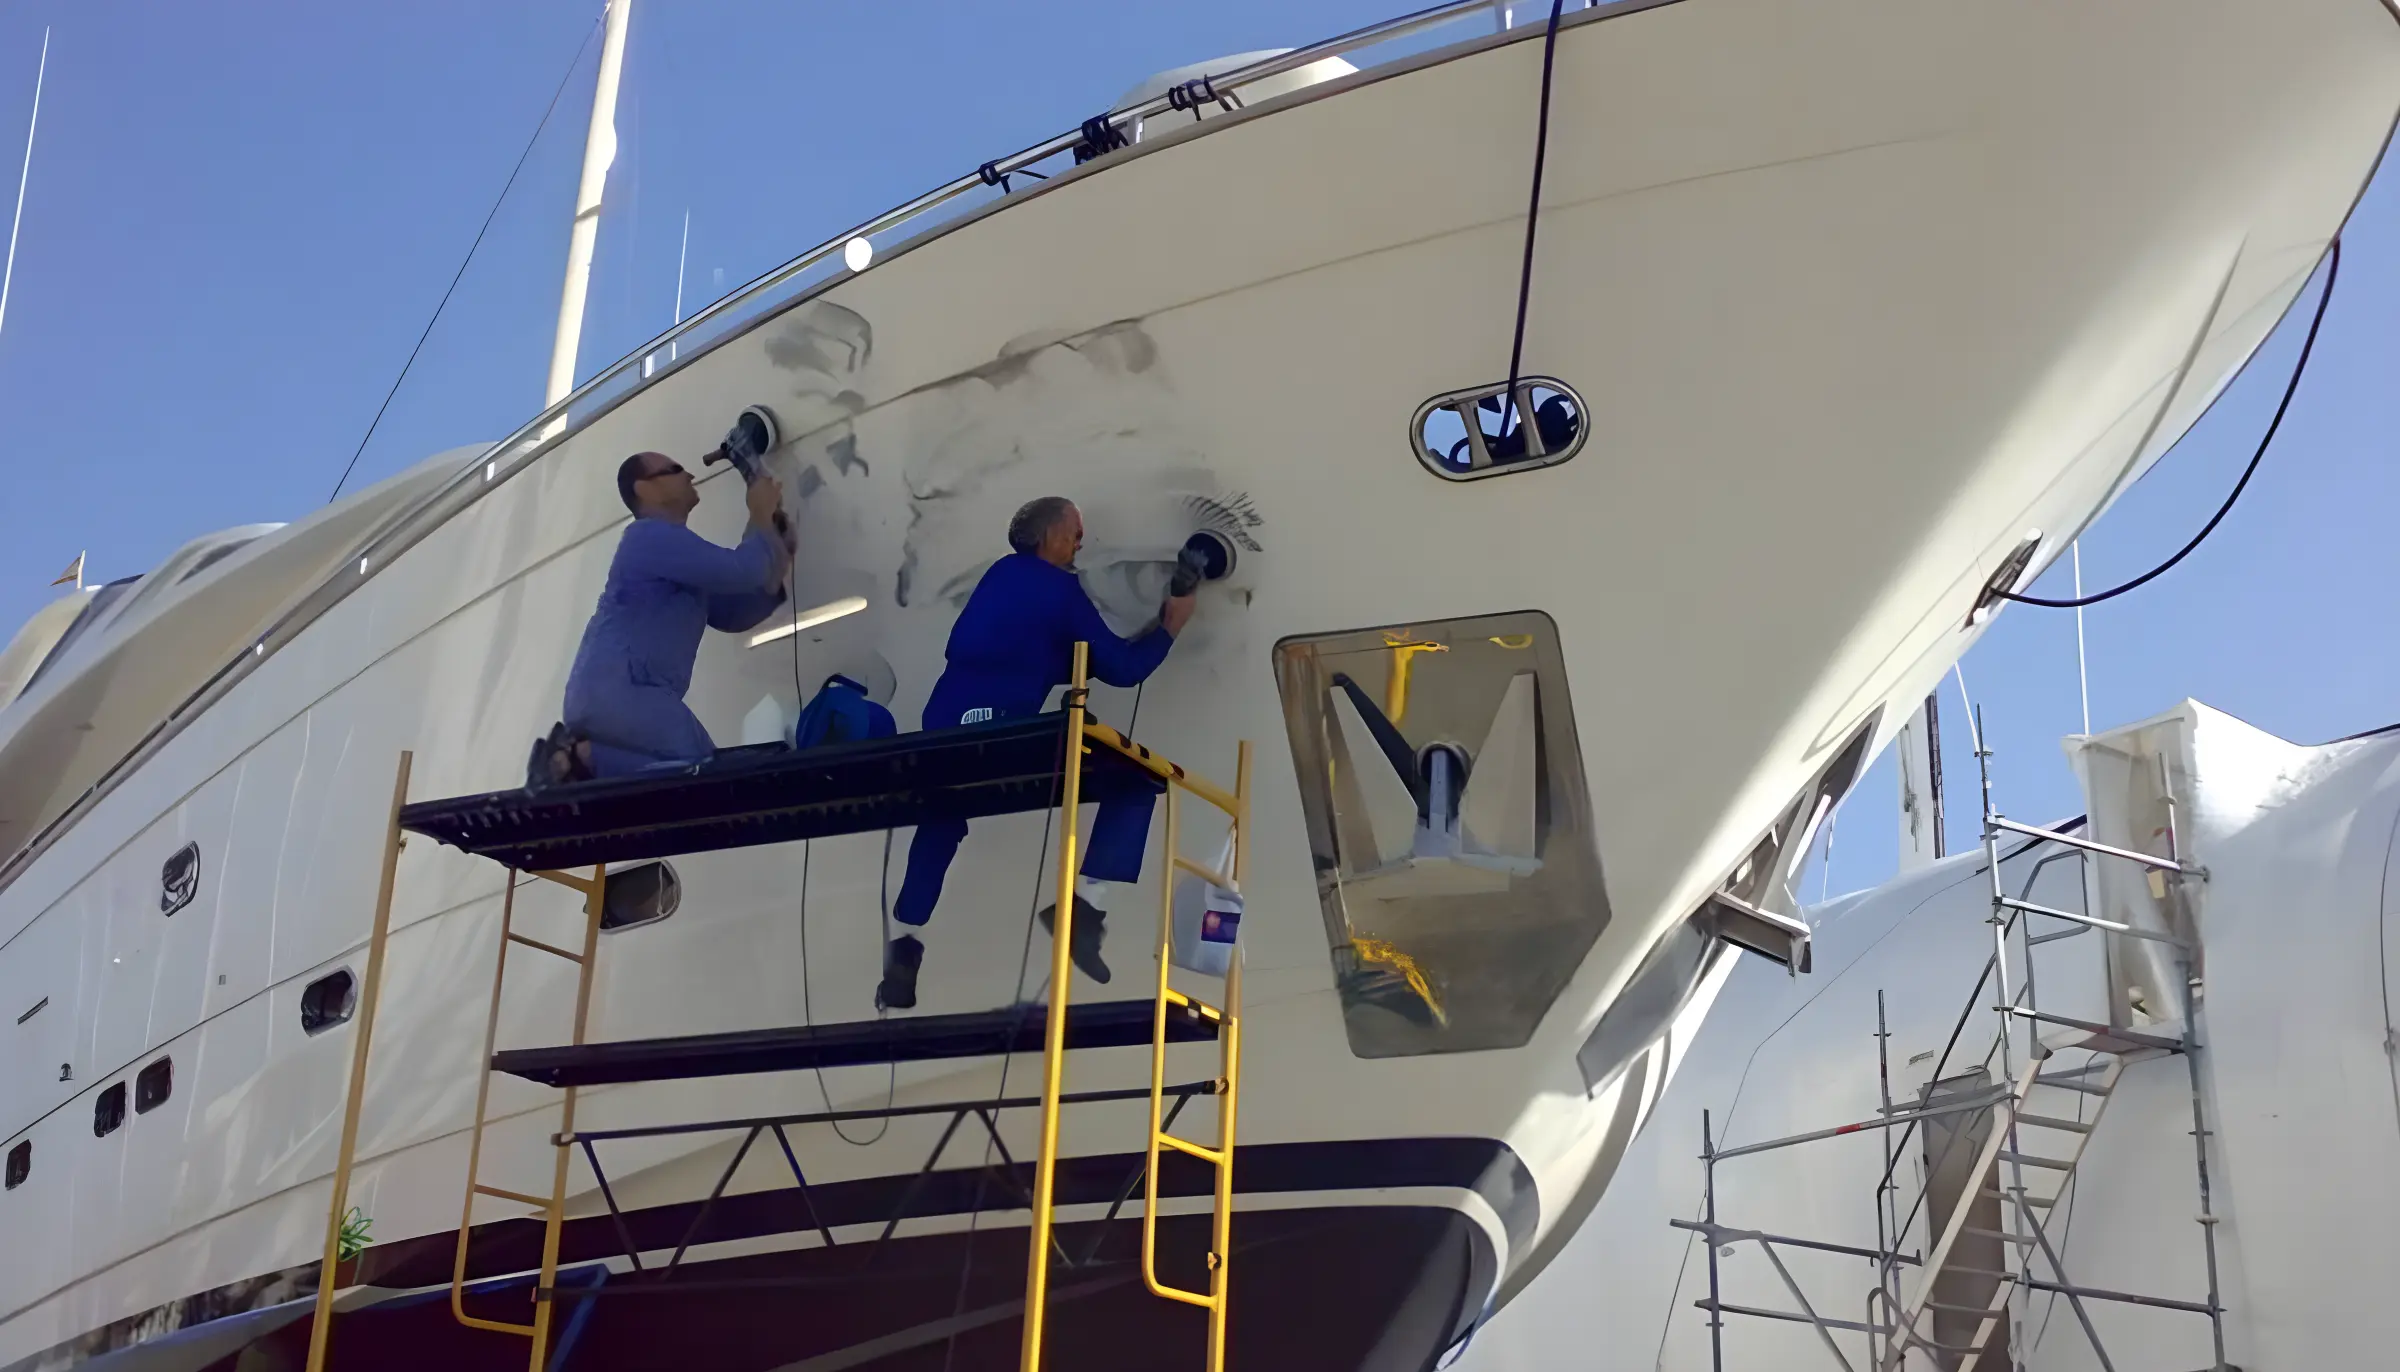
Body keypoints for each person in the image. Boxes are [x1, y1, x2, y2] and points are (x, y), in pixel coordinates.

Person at [878, 496, 1197, 1010]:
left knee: (941, 818)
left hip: (941, 730)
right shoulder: (1057, 589)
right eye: (1075, 531)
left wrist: (1131, 639)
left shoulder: (997, 583)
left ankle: (904, 947)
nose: (1081, 540)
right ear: (1049, 537)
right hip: (1005, 737)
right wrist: (1170, 627)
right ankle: (1085, 913)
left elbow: (1054, 658)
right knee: (1136, 781)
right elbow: (1119, 669)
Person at [529, 451, 793, 785]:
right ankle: (584, 760)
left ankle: (580, 761)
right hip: (623, 691)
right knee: (700, 771)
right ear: (645, 489)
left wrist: (772, 559)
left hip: (612, 694)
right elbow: (744, 571)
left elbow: (732, 615)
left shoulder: (673, 553)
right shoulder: (647, 537)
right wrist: (760, 514)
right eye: (676, 469)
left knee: (687, 776)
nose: (690, 475)